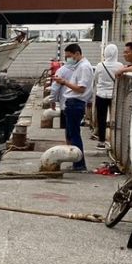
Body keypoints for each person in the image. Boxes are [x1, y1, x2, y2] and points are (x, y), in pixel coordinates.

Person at [50, 43, 93, 172]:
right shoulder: (79, 66)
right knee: (71, 134)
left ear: (77, 54)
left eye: (69, 56)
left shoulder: (84, 67)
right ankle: (76, 162)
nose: (68, 59)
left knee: (74, 135)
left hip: (75, 103)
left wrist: (64, 82)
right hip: (72, 103)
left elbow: (81, 88)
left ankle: (79, 164)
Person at [91, 43, 123, 147]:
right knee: (116, 117)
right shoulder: (120, 66)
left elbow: (95, 79)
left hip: (101, 94)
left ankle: (101, 141)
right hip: (114, 96)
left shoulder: (100, 65)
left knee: (101, 118)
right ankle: (115, 142)